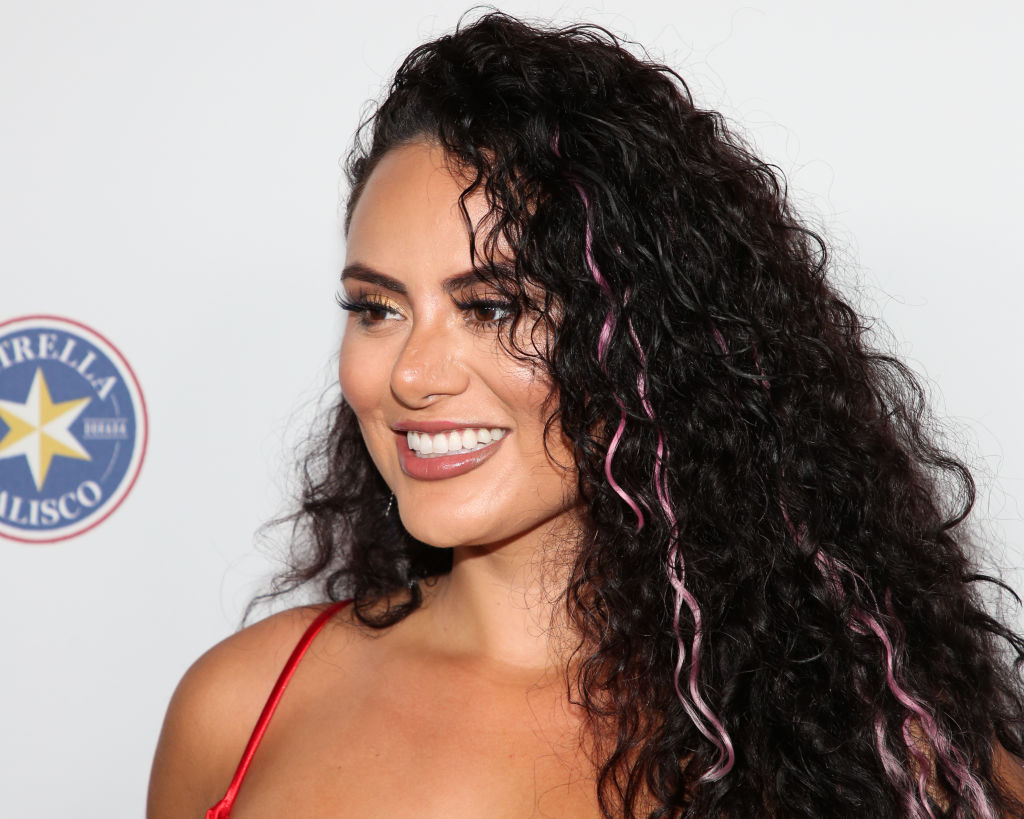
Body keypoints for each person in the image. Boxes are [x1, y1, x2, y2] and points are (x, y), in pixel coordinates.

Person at [147, 10, 1024, 818]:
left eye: (492, 307)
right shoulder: (241, 707)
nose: (410, 373)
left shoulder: (877, 744)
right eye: (377, 308)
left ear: (644, 340)